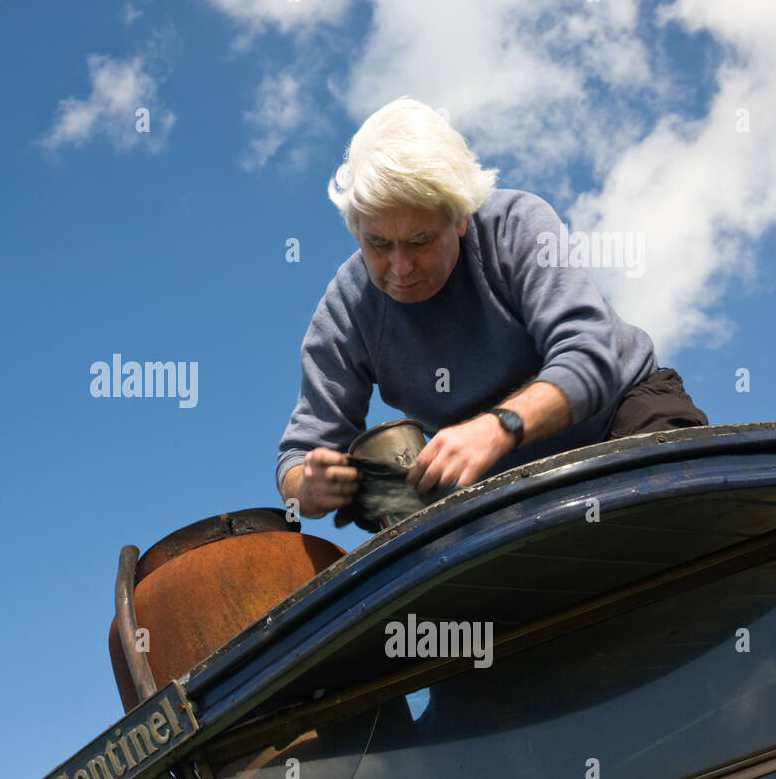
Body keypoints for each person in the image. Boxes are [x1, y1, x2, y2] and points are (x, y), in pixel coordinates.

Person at [277, 97, 708, 521]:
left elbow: (591, 358)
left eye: (420, 240)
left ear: (461, 217)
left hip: (625, 416)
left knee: (676, 528)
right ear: (356, 231)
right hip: (501, 487)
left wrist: (498, 427)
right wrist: (309, 486)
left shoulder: (517, 227)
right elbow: (298, 456)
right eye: (378, 244)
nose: (400, 268)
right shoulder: (347, 312)